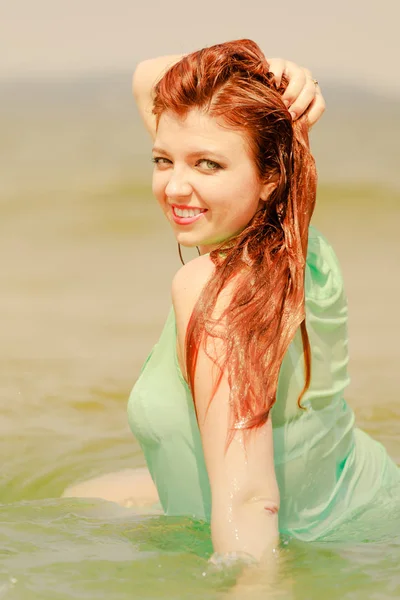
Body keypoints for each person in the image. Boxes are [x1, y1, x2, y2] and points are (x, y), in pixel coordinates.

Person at [64, 40, 400, 562]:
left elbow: (249, 500)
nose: (176, 186)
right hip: (367, 494)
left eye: (208, 165)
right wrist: (267, 73)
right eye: (162, 159)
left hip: (330, 539)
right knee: (82, 496)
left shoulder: (213, 290)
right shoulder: (297, 237)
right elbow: (147, 78)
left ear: (269, 176)